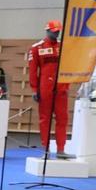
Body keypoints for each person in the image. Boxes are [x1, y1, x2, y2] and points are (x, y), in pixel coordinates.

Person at [28, 20, 72, 159]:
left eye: (58, 31)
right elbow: (33, 71)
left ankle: (60, 150)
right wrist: (34, 89)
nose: (56, 33)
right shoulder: (36, 48)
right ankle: (45, 150)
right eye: (54, 31)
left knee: (62, 119)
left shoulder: (64, 47)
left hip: (61, 88)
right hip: (45, 89)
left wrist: (67, 85)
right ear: (47, 30)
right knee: (45, 119)